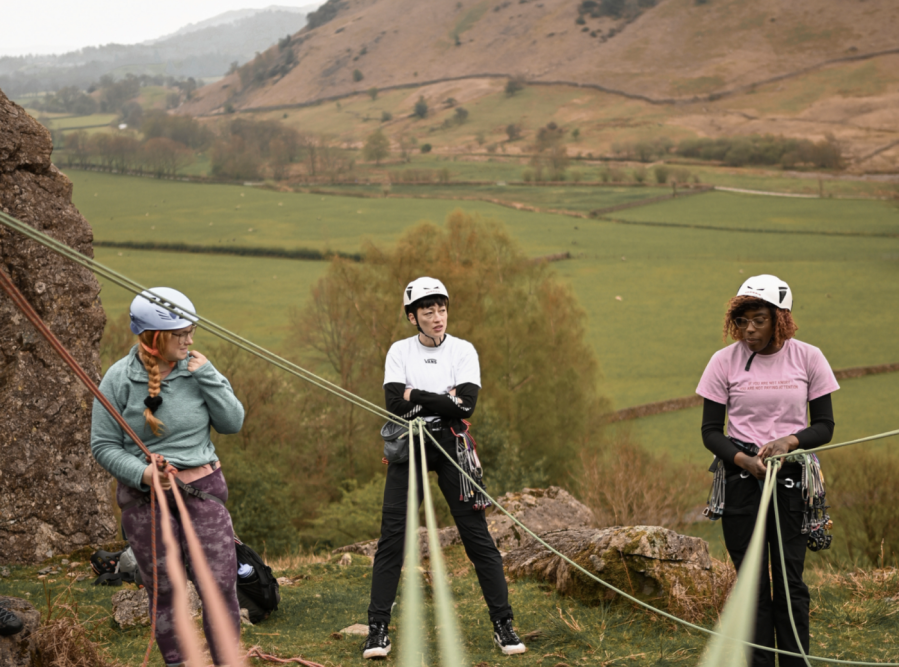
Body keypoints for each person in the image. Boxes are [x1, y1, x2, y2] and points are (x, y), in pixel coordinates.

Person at [362, 277, 526, 659]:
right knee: (393, 538)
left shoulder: (464, 351)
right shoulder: (399, 352)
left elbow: (466, 407)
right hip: (409, 448)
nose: (438, 317)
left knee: (477, 537)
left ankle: (504, 624)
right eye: (428, 311)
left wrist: (415, 396)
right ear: (412, 317)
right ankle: (377, 630)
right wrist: (442, 398)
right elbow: (393, 404)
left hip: (453, 446)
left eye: (442, 309)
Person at [91, 288, 245, 667]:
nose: (190, 340)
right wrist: (143, 473)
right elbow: (103, 445)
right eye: (181, 334)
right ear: (155, 338)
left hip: (201, 492)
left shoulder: (199, 370)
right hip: (146, 500)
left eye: (191, 331)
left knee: (220, 584)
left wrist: (207, 375)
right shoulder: (117, 380)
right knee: (166, 591)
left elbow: (232, 422)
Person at [696, 274, 839, 667]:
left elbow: (824, 425)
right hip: (742, 481)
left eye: (758, 319)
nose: (749, 329)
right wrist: (743, 461)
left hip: (791, 479)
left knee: (789, 583)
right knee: (753, 585)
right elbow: (710, 431)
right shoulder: (723, 361)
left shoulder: (808, 357)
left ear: (781, 318)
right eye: (742, 321)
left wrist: (789, 442)